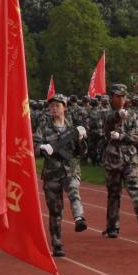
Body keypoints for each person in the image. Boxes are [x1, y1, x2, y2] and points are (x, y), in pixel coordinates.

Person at [34, 93, 88, 257]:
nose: (54, 109)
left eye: (57, 105)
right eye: (51, 106)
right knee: (55, 210)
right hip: (52, 173)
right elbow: (34, 147)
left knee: (74, 191)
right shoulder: (44, 128)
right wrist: (41, 148)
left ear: (64, 107)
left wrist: (81, 139)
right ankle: (57, 243)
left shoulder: (73, 128)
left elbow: (82, 152)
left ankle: (79, 218)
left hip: (71, 169)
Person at [102, 84, 138, 238]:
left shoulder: (132, 115)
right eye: (117, 96)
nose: (121, 99)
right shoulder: (106, 113)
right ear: (111, 97)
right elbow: (108, 124)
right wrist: (118, 115)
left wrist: (122, 136)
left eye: (123, 96)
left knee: (134, 185)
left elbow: (137, 136)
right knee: (113, 193)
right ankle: (112, 227)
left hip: (130, 158)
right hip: (113, 159)